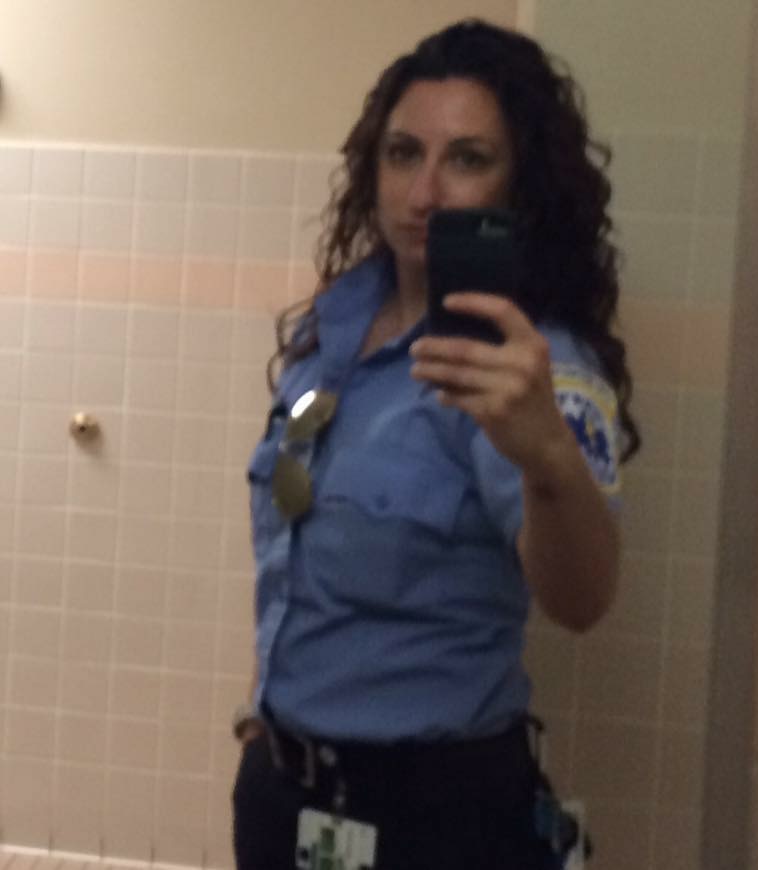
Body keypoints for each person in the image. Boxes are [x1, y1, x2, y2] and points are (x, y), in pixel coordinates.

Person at [231, 18, 640, 870]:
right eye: (403, 153)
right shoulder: (333, 326)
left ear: (519, 185)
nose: (424, 193)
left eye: (467, 159)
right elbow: (296, 549)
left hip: (432, 821)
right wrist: (267, 717)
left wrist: (548, 458)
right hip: (285, 800)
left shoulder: (530, 367)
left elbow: (582, 600)